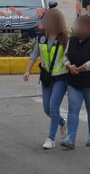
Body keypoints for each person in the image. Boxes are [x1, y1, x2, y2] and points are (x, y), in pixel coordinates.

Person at [24, 8, 69, 149]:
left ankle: (50, 139)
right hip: (46, 77)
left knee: (53, 107)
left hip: (61, 78)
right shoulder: (41, 38)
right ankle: (62, 123)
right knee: (47, 109)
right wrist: (27, 71)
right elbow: (34, 55)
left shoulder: (64, 40)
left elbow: (70, 57)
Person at [62, 14, 90, 149]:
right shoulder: (72, 40)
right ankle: (70, 138)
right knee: (73, 110)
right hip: (74, 82)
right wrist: (69, 66)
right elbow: (64, 56)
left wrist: (79, 69)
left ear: (89, 28)